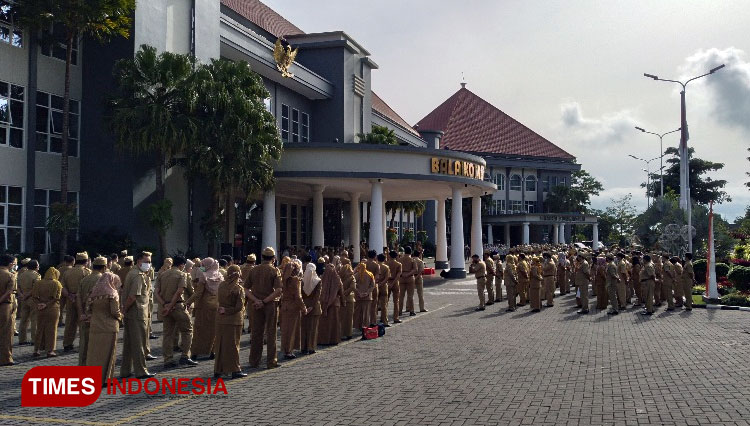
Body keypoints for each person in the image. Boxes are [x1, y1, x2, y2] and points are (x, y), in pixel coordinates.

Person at [157, 256, 197, 368]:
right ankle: (185, 356)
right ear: (182, 265)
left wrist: (165, 305)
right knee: (187, 330)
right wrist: (174, 304)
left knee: (167, 334)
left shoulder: (162, 274)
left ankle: (168, 359)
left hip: (165, 307)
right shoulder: (182, 274)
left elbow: (156, 293)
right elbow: (180, 291)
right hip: (178, 306)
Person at [246, 247, 283, 369]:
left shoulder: (254, 270)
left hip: (256, 305)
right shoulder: (274, 271)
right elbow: (278, 290)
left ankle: (254, 361)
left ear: (262, 257)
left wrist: (256, 300)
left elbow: (245, 289)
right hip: (270, 304)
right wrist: (265, 301)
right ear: (273, 259)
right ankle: (271, 361)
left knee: (256, 333)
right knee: (271, 332)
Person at [120, 251, 155, 379]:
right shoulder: (138, 276)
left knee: (129, 344)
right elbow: (132, 296)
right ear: (139, 261)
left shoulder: (133, 272)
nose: (148, 264)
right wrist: (124, 309)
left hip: (132, 313)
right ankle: (141, 370)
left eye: (150, 262)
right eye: (146, 262)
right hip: (137, 313)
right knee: (139, 343)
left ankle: (125, 370)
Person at [85, 272, 123, 384]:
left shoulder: (94, 292)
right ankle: (106, 379)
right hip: (109, 327)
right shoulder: (112, 294)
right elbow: (114, 312)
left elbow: (88, 309)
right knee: (108, 355)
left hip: (95, 327)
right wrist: (121, 316)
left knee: (94, 354)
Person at [214, 265, 247, 379]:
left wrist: (223, 309)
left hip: (220, 319)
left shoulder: (221, 285)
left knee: (220, 345)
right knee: (233, 346)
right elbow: (239, 307)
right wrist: (228, 310)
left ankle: (218, 369)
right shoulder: (238, 288)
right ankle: (235, 369)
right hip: (233, 320)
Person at [185, 258, 221, 360]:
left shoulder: (204, 277)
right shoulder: (220, 275)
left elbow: (199, 293)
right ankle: (212, 351)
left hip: (204, 306)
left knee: (199, 330)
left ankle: (195, 352)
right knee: (213, 330)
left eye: (203, 265)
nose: (202, 266)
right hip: (216, 305)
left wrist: (188, 302)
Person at [77, 257, 107, 366]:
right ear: (104, 267)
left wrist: (82, 314)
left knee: (84, 344)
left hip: (85, 316)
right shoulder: (103, 280)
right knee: (98, 346)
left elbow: (78, 297)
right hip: (98, 317)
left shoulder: (85, 279)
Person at [62, 252, 92, 352]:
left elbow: (63, 287)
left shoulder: (67, 272)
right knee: (83, 322)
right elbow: (89, 288)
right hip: (83, 300)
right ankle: (83, 343)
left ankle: (67, 343)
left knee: (70, 322)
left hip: (70, 299)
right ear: (86, 261)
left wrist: (70, 296)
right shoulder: (87, 272)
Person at [31, 267, 63, 358]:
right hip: (52, 308)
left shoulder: (38, 283)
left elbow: (34, 296)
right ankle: (50, 350)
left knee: (40, 328)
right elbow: (57, 298)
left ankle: (36, 349)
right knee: (52, 330)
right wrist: (46, 304)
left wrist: (40, 304)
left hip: (40, 308)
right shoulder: (57, 283)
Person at [280, 260, 308, 359]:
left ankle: (285, 349)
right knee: (291, 330)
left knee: (285, 329)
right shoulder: (296, 280)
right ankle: (289, 350)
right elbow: (298, 296)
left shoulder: (284, 279)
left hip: (285, 306)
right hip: (293, 306)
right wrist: (303, 307)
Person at [318, 262, 345, 346]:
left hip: (323, 303)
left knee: (324, 324)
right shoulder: (337, 279)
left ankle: (323, 340)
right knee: (334, 323)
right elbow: (341, 292)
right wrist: (343, 302)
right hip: (334, 304)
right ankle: (334, 339)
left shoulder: (322, 278)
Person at [17, 260, 41, 346]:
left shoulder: (22, 274)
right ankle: (34, 339)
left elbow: (18, 287)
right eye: (38, 265)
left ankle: (22, 339)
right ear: (36, 267)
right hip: (32, 299)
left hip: (23, 299)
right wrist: (27, 295)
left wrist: (22, 295)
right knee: (34, 319)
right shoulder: (36, 275)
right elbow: (36, 288)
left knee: (23, 319)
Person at [300, 260, 322, 354]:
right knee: (313, 328)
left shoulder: (302, 281)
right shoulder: (318, 281)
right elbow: (317, 296)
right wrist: (312, 306)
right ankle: (311, 347)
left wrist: (304, 306)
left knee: (304, 327)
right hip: (314, 307)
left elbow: (300, 295)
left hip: (304, 306)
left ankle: (304, 347)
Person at [0, 254, 16, 365]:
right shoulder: (10, 275)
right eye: (14, 264)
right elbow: (9, 291)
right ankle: (6, 358)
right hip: (5, 305)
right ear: (10, 264)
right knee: (6, 333)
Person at [353, 262, 375, 336]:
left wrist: (358, 292)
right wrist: (367, 292)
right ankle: (365, 326)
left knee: (358, 312)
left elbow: (353, 285)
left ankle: (358, 326)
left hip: (358, 297)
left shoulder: (356, 275)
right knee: (366, 312)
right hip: (367, 297)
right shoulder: (370, 274)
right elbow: (372, 285)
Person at [339, 260, 356, 339]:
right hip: (349, 298)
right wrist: (346, 293)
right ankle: (348, 333)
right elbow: (353, 287)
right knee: (349, 317)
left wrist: (342, 293)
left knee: (342, 317)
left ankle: (341, 333)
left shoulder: (340, 277)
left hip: (341, 298)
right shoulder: (352, 277)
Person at [398, 247, 418, 316]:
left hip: (401, 278)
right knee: (410, 296)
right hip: (410, 277)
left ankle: (399, 311)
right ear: (411, 252)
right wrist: (408, 274)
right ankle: (411, 310)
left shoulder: (400, 259)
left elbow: (398, 270)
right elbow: (415, 270)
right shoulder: (412, 260)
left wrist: (402, 274)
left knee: (401, 296)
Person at [385, 251, 403, 324]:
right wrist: (393, 283)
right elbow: (398, 275)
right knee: (396, 301)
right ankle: (396, 317)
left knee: (385, 301)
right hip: (395, 282)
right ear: (396, 256)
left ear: (389, 256)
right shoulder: (399, 264)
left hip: (387, 282)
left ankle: (384, 317)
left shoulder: (386, 263)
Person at [57, 255, 74, 326]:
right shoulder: (72, 269)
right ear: (73, 262)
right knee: (69, 308)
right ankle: (69, 321)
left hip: (60, 289)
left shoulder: (59, 269)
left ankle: (59, 321)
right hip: (69, 290)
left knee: (60, 307)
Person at [375, 254, 390, 325]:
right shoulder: (386, 267)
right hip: (383, 286)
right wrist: (382, 283)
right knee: (384, 305)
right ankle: (385, 321)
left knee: (374, 304)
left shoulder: (375, 266)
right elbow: (387, 278)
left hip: (375, 286)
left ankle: (373, 320)